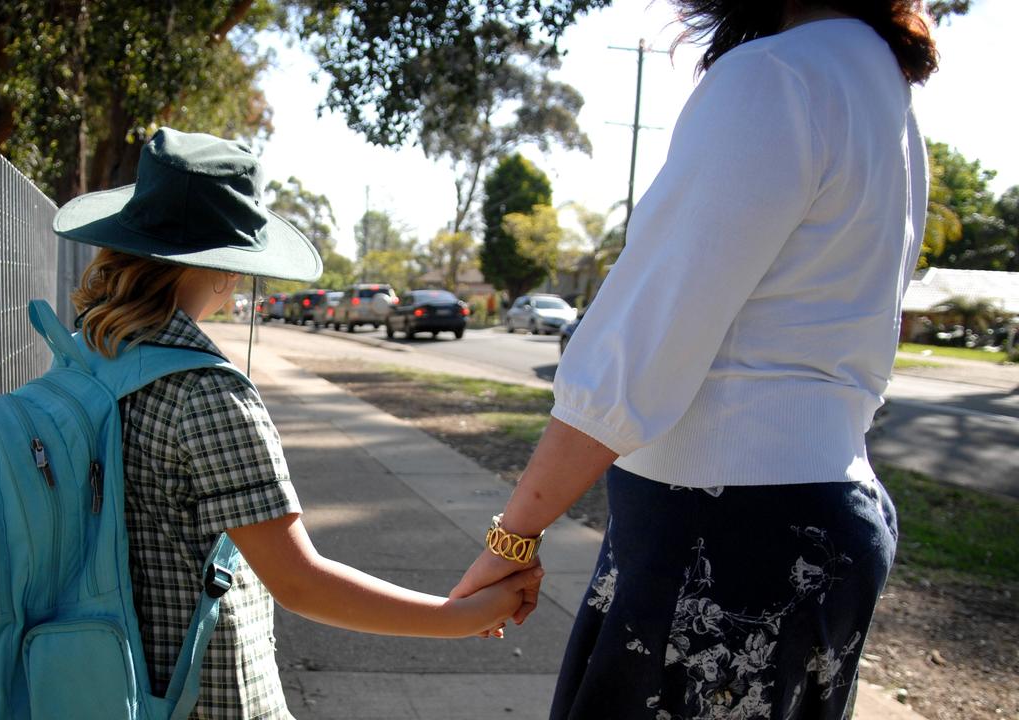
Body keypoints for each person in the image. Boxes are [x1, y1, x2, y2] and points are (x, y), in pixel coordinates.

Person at [450, 1, 935, 718]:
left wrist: (512, 533)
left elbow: (644, 337)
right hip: (825, 523)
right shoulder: (883, 95)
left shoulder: (776, 76)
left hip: (725, 532)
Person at [53, 128, 540, 718]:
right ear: (226, 269)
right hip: (204, 698)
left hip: (99, 684)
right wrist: (457, 617)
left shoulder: (85, 358)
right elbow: (301, 583)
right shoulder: (206, 395)